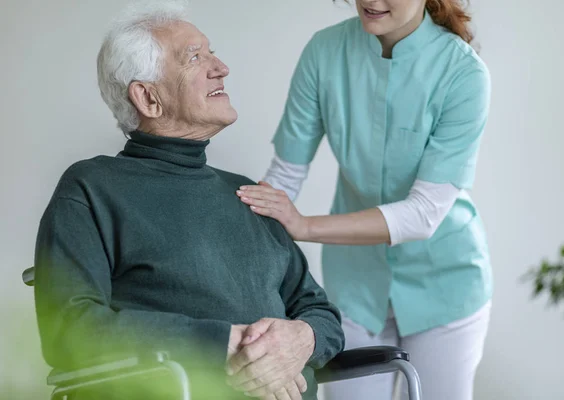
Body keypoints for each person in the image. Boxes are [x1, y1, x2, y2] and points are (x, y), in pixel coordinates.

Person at [33, 2, 344, 399]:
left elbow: (319, 311)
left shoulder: (247, 194)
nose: (221, 67)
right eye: (195, 57)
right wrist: (219, 344)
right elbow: (68, 330)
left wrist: (303, 338)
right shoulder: (92, 188)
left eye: (211, 51)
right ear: (148, 98)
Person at [235, 1, 492, 399]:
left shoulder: (463, 73)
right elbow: (283, 178)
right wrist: (228, 246)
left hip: (446, 287)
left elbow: (422, 215)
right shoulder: (324, 52)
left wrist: (304, 226)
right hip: (354, 286)